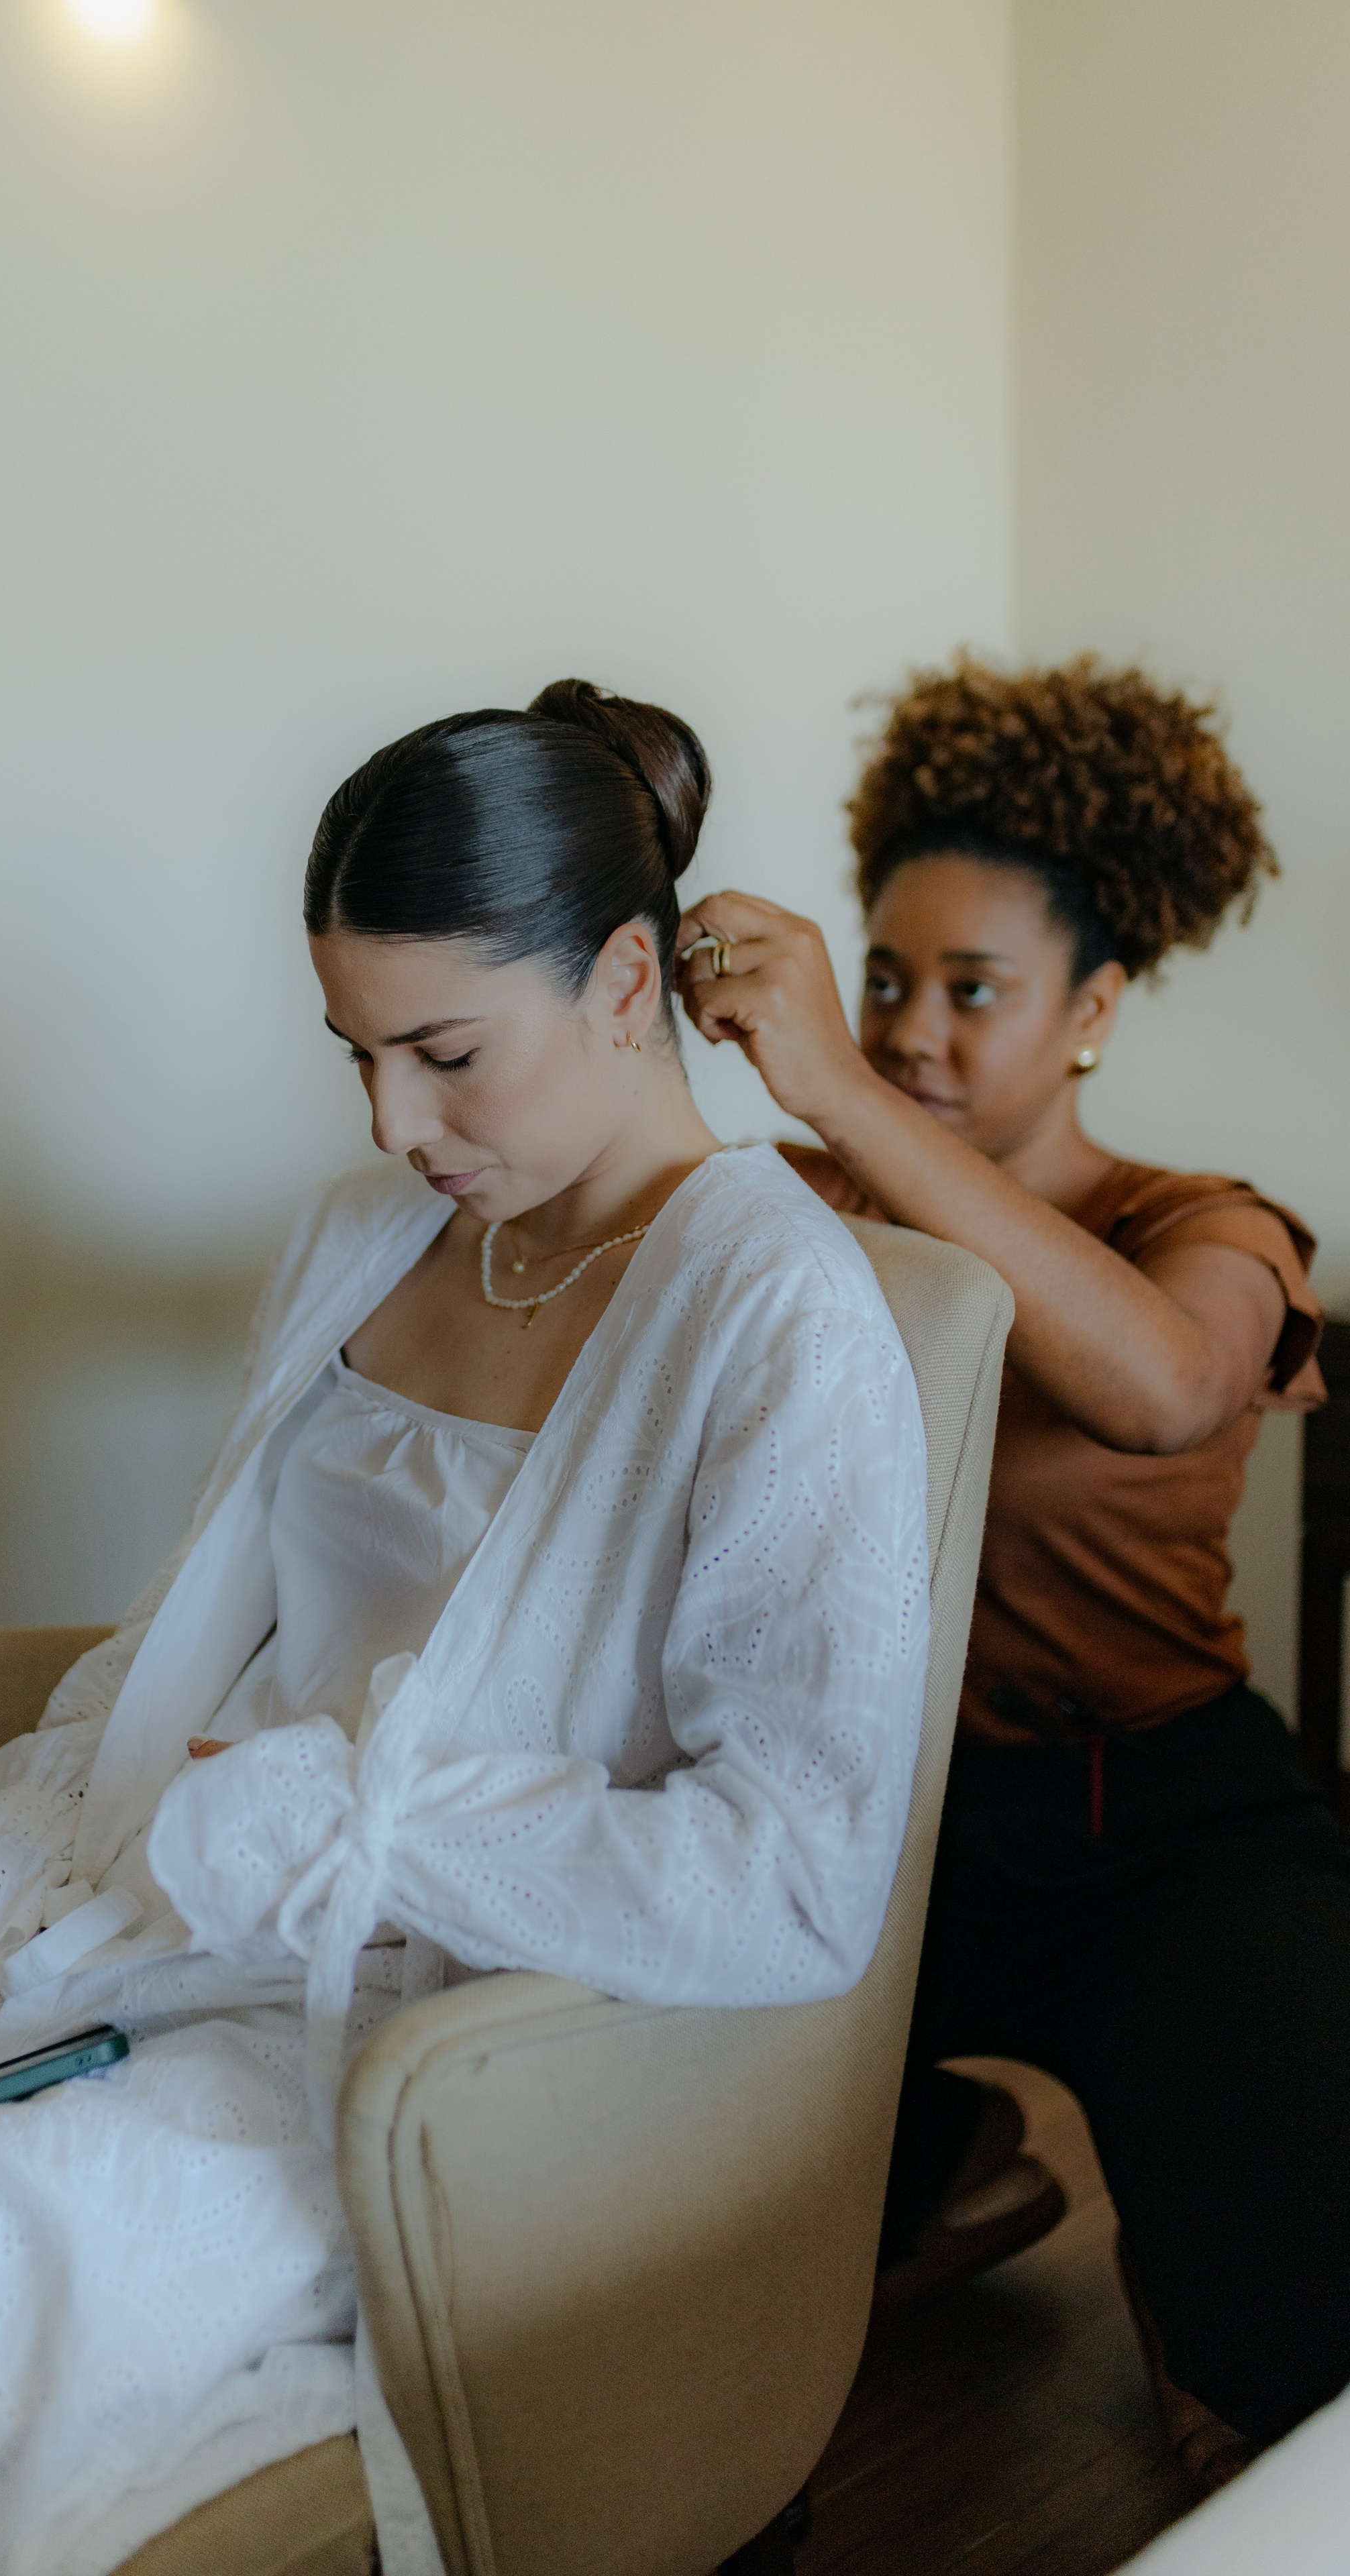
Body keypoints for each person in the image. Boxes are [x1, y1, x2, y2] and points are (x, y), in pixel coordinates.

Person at [0, 680, 929, 2575]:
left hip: (366, 2049)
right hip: (119, 1920)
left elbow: (795, 1882)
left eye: (445, 1052)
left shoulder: (782, 1320)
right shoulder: (362, 1236)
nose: (397, 1118)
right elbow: (184, 1650)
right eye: (356, 1055)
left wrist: (335, 1822)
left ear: (631, 980)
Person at [675, 653, 1338, 2489]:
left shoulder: (1202, 1226)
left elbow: (1160, 1385)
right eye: (883, 981)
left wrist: (835, 1089)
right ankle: (958, 2158)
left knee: (1267, 2394)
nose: (912, 1033)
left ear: (1094, 1009)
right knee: (667, 2262)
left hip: (1170, 1822)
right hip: (890, 1830)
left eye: (975, 991)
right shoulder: (807, 1211)